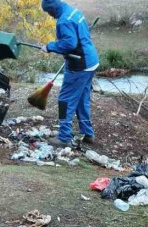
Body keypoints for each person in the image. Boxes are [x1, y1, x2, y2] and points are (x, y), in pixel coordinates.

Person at [41, 0, 99, 147]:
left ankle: (64, 136)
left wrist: (50, 46)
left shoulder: (63, 21)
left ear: (53, 8)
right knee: (81, 99)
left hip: (80, 64)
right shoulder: (73, 12)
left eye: (49, 12)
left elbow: (69, 44)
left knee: (65, 100)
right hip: (91, 61)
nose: (50, 16)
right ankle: (87, 133)